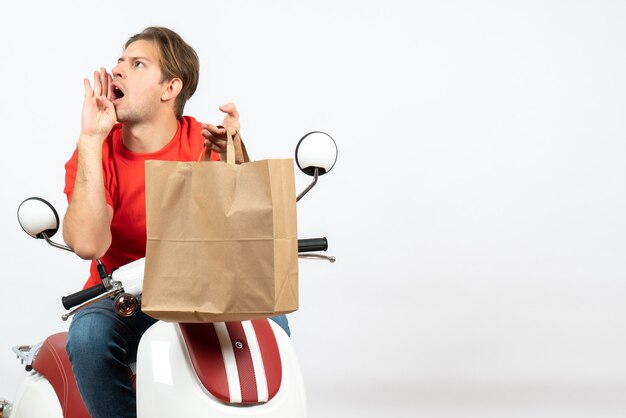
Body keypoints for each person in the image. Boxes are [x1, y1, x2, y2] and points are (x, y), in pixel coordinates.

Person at [62, 26, 290, 418]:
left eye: (137, 64)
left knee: (273, 322)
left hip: (201, 289)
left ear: (170, 88)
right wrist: (89, 138)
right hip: (124, 300)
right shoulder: (98, 151)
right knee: (87, 336)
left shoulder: (203, 140)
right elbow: (88, 244)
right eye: (120, 61)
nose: (118, 70)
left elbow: (247, 231)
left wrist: (237, 159)